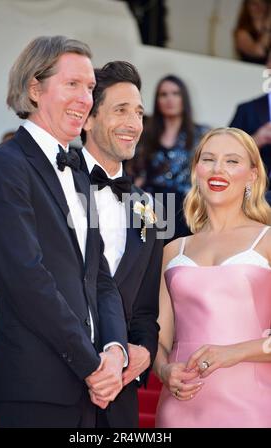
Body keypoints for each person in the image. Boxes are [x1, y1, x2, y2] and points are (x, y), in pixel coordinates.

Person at [0, 35, 128, 428]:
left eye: (90, 87)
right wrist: (91, 365)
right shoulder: (4, 166)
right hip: (33, 389)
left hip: (92, 393)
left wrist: (114, 351)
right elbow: (27, 278)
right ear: (35, 88)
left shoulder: (80, 172)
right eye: (72, 84)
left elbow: (101, 278)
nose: (85, 98)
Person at [154, 127, 271, 428]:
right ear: (196, 171)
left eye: (232, 161)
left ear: (253, 175)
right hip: (180, 407)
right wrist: (165, 371)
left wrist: (236, 352)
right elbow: (158, 337)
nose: (218, 169)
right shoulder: (171, 250)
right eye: (209, 159)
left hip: (253, 405)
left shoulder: (268, 241)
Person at [79, 61, 164, 427]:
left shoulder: (150, 209)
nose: (134, 123)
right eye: (121, 110)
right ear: (87, 118)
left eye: (139, 113)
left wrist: (144, 349)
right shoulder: (47, 186)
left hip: (120, 398)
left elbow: (145, 308)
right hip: (49, 383)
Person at [126, 75, 209, 239]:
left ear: (184, 98)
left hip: (184, 209)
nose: (169, 99)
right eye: (163, 94)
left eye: (175, 93)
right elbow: (133, 170)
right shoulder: (144, 132)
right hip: (148, 205)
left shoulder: (201, 135)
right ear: (157, 100)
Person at [234, 0, 271, 65]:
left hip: (266, 73)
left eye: (262, 3)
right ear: (247, 6)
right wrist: (268, 26)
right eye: (254, 3)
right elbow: (259, 52)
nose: (259, 7)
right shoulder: (242, 33)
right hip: (249, 73)